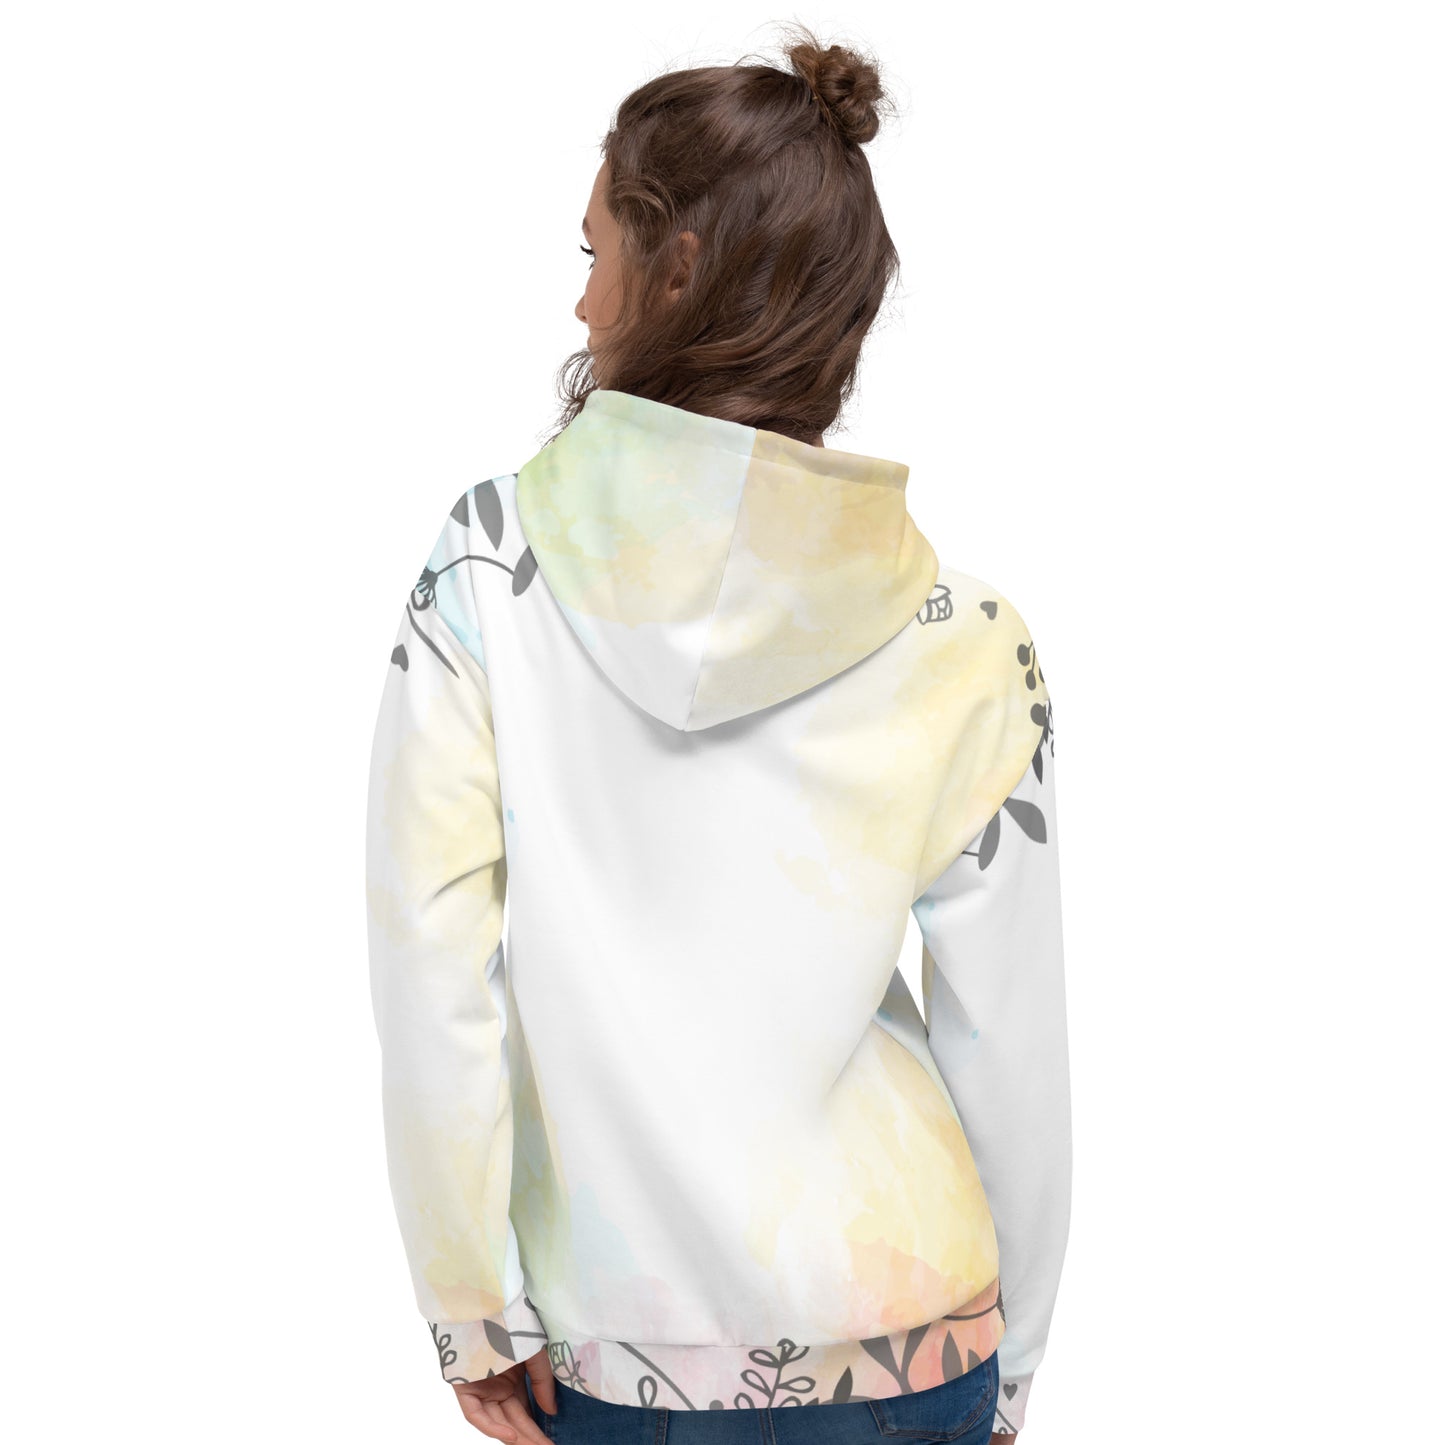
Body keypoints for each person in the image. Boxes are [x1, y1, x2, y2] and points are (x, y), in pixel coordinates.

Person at [365, 23, 1071, 1445]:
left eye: (593, 254)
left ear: (675, 267)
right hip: (913, 1335)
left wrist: (471, 1305)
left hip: (620, 1352)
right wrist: (1013, 1363)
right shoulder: (967, 634)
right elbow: (1007, 1033)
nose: (581, 305)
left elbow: (430, 959)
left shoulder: (488, 570)